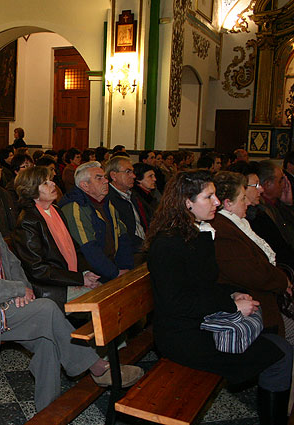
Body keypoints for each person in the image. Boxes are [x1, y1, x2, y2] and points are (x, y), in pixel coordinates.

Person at [0, 166, 142, 412]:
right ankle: (96, 367)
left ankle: (46, 412)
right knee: (47, 310)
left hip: (0, 305)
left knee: (46, 340)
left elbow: (12, 263)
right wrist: (16, 290)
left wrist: (24, 290)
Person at [145, 170, 292, 425]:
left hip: (201, 323)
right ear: (186, 202)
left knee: (280, 349)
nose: (216, 202)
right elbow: (176, 302)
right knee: (280, 353)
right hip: (183, 336)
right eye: (209, 196)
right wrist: (231, 304)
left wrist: (232, 292)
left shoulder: (197, 232)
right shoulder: (167, 244)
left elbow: (207, 283)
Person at [211, 171, 293, 341]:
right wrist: (282, 281)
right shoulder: (223, 231)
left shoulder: (236, 224)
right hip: (254, 301)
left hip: (263, 294)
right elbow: (251, 272)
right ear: (228, 204)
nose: (247, 202)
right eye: (242, 198)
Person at [12, 166, 101, 312]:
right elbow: (38, 269)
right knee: (101, 300)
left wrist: (86, 272)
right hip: (50, 288)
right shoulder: (28, 221)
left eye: (51, 181)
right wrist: (79, 279)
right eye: (46, 183)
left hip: (66, 278)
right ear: (32, 190)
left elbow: (74, 247)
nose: (53, 184)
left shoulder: (56, 210)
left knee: (107, 291)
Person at [59, 161, 133, 282]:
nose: (106, 181)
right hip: (91, 274)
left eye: (104, 177)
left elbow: (122, 236)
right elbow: (88, 250)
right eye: (99, 178)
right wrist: (115, 273)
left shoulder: (107, 203)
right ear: (85, 186)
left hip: (111, 267)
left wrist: (125, 268)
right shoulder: (74, 208)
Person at [105, 157, 149, 259]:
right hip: (131, 252)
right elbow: (122, 234)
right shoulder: (109, 199)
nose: (133, 176)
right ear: (113, 175)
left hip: (144, 246)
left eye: (133, 172)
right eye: (128, 172)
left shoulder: (133, 195)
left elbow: (150, 217)